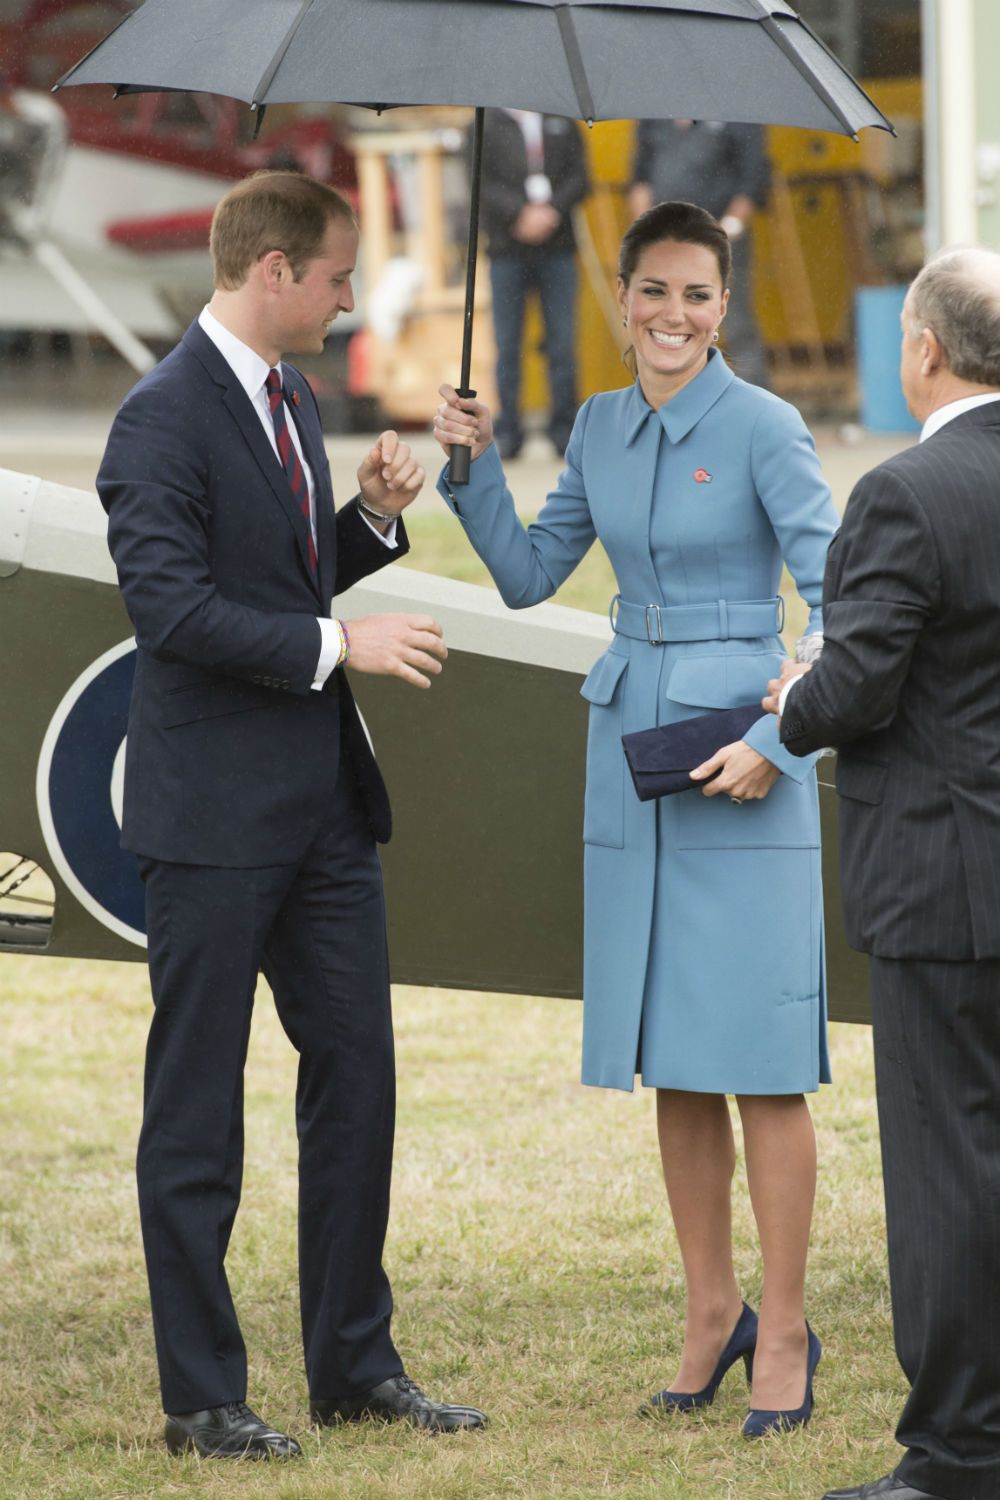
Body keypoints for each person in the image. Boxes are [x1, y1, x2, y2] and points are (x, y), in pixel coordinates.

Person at [96, 170, 486, 1461]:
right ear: (271, 270)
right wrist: (340, 640)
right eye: (332, 276)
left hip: (319, 816)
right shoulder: (156, 420)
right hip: (209, 820)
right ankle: (203, 1396)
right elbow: (174, 614)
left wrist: (367, 523)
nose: (343, 296)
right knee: (198, 1111)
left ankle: (352, 1366)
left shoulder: (288, 393)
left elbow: (270, 572)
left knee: (358, 1084)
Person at [433, 200, 839, 1436]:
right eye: (652, 292)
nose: (673, 316)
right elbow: (525, 573)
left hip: (748, 767)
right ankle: (709, 1314)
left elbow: (845, 608)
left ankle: (784, 1330)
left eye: (697, 296)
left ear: (726, 307)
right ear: (618, 297)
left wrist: (778, 737)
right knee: (677, 1062)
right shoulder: (601, 428)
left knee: (762, 1068)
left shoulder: (767, 428)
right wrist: (467, 465)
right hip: (635, 762)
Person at [765, 248, 1000, 1500]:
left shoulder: (907, 492)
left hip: (945, 878)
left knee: (947, 1163)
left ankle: (958, 1449)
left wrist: (795, 694)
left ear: (924, 352)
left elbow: (853, 687)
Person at [476, 108, 589, 459]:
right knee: (508, 344)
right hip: (507, 248)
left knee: (562, 342)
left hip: (557, 247)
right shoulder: (487, 122)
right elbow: (479, 182)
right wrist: (519, 214)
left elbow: (581, 177)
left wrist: (551, 210)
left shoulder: (560, 119)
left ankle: (565, 430)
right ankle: (509, 429)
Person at [629, 120, 770, 389]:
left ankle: (754, 411)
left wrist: (730, 228)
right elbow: (640, 177)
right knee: (665, 323)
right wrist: (644, 232)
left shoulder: (737, 111)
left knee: (735, 320)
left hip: (719, 239)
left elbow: (752, 179)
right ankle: (669, 403)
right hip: (664, 240)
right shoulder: (653, 113)